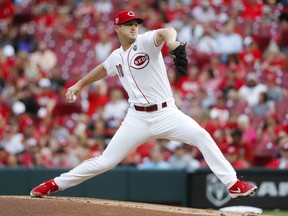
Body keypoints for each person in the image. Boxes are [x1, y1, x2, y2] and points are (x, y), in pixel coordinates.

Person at [30, 10, 257, 200]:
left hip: (166, 113)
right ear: (117, 28)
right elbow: (102, 68)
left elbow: (165, 32)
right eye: (128, 24)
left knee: (201, 135)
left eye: (136, 23)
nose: (134, 27)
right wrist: (79, 84)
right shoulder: (117, 56)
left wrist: (171, 42)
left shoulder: (146, 41)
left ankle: (232, 184)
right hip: (136, 118)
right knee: (105, 162)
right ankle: (54, 184)